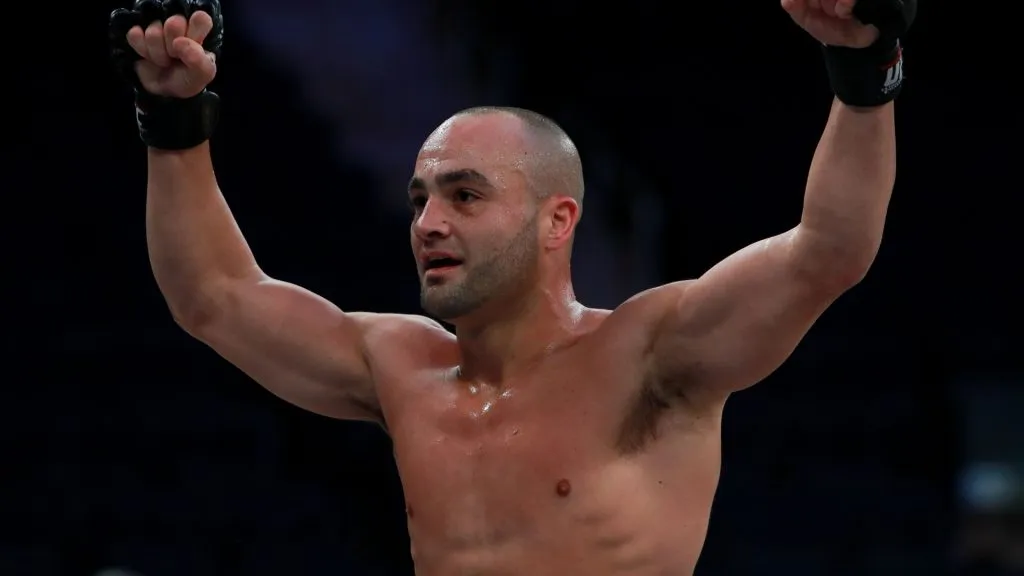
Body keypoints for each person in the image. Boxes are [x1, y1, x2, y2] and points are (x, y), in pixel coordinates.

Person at [108, 0, 916, 573]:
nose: (428, 222)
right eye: (420, 199)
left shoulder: (649, 354)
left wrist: (863, 69)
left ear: (557, 221)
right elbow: (212, 295)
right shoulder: (399, 369)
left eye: (465, 195)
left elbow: (828, 250)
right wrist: (173, 118)